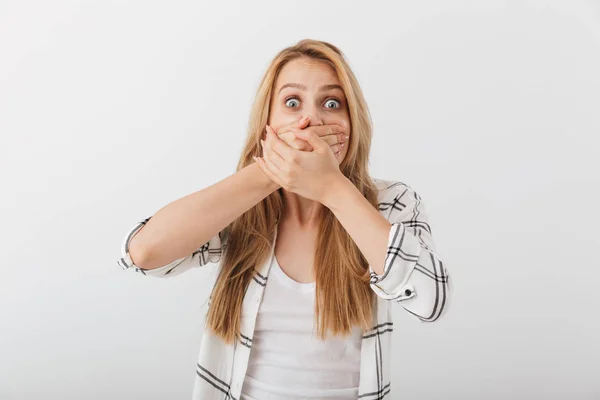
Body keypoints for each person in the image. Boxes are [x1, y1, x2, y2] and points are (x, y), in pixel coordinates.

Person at [117, 38, 452, 400]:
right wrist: (269, 172)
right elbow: (144, 253)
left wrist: (333, 187)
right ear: (267, 125)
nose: (311, 121)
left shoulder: (391, 203)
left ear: (352, 123)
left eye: (332, 103)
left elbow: (432, 301)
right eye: (292, 103)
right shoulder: (243, 210)